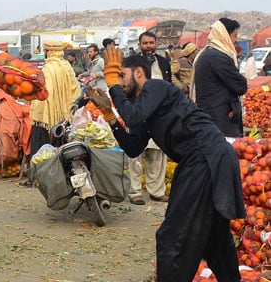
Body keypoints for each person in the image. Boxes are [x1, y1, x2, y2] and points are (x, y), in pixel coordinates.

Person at [86, 48, 244, 282]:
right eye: (116, 77)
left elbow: (133, 116)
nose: (119, 82)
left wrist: (110, 82)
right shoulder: (143, 107)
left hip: (205, 154)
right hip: (203, 159)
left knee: (172, 237)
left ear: (139, 72)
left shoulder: (156, 87)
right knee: (215, 238)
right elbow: (133, 147)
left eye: (122, 75)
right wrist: (109, 115)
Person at [127, 31, 171, 205]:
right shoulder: (131, 63)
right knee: (135, 155)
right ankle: (135, 192)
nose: (148, 46)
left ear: (156, 43)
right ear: (139, 45)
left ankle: (157, 191)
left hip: (159, 116)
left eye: (151, 43)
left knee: (157, 154)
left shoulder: (163, 63)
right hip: (138, 113)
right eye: (145, 43)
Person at [192, 18, 247, 137]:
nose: (236, 40)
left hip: (211, 117)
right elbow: (241, 86)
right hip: (220, 119)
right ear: (224, 36)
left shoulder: (207, 54)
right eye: (234, 36)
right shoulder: (218, 58)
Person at [28, 40, 81, 157]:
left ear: (49, 52)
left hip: (47, 118)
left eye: (45, 51)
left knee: (43, 151)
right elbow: (76, 90)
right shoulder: (67, 66)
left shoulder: (48, 68)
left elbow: (43, 94)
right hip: (65, 117)